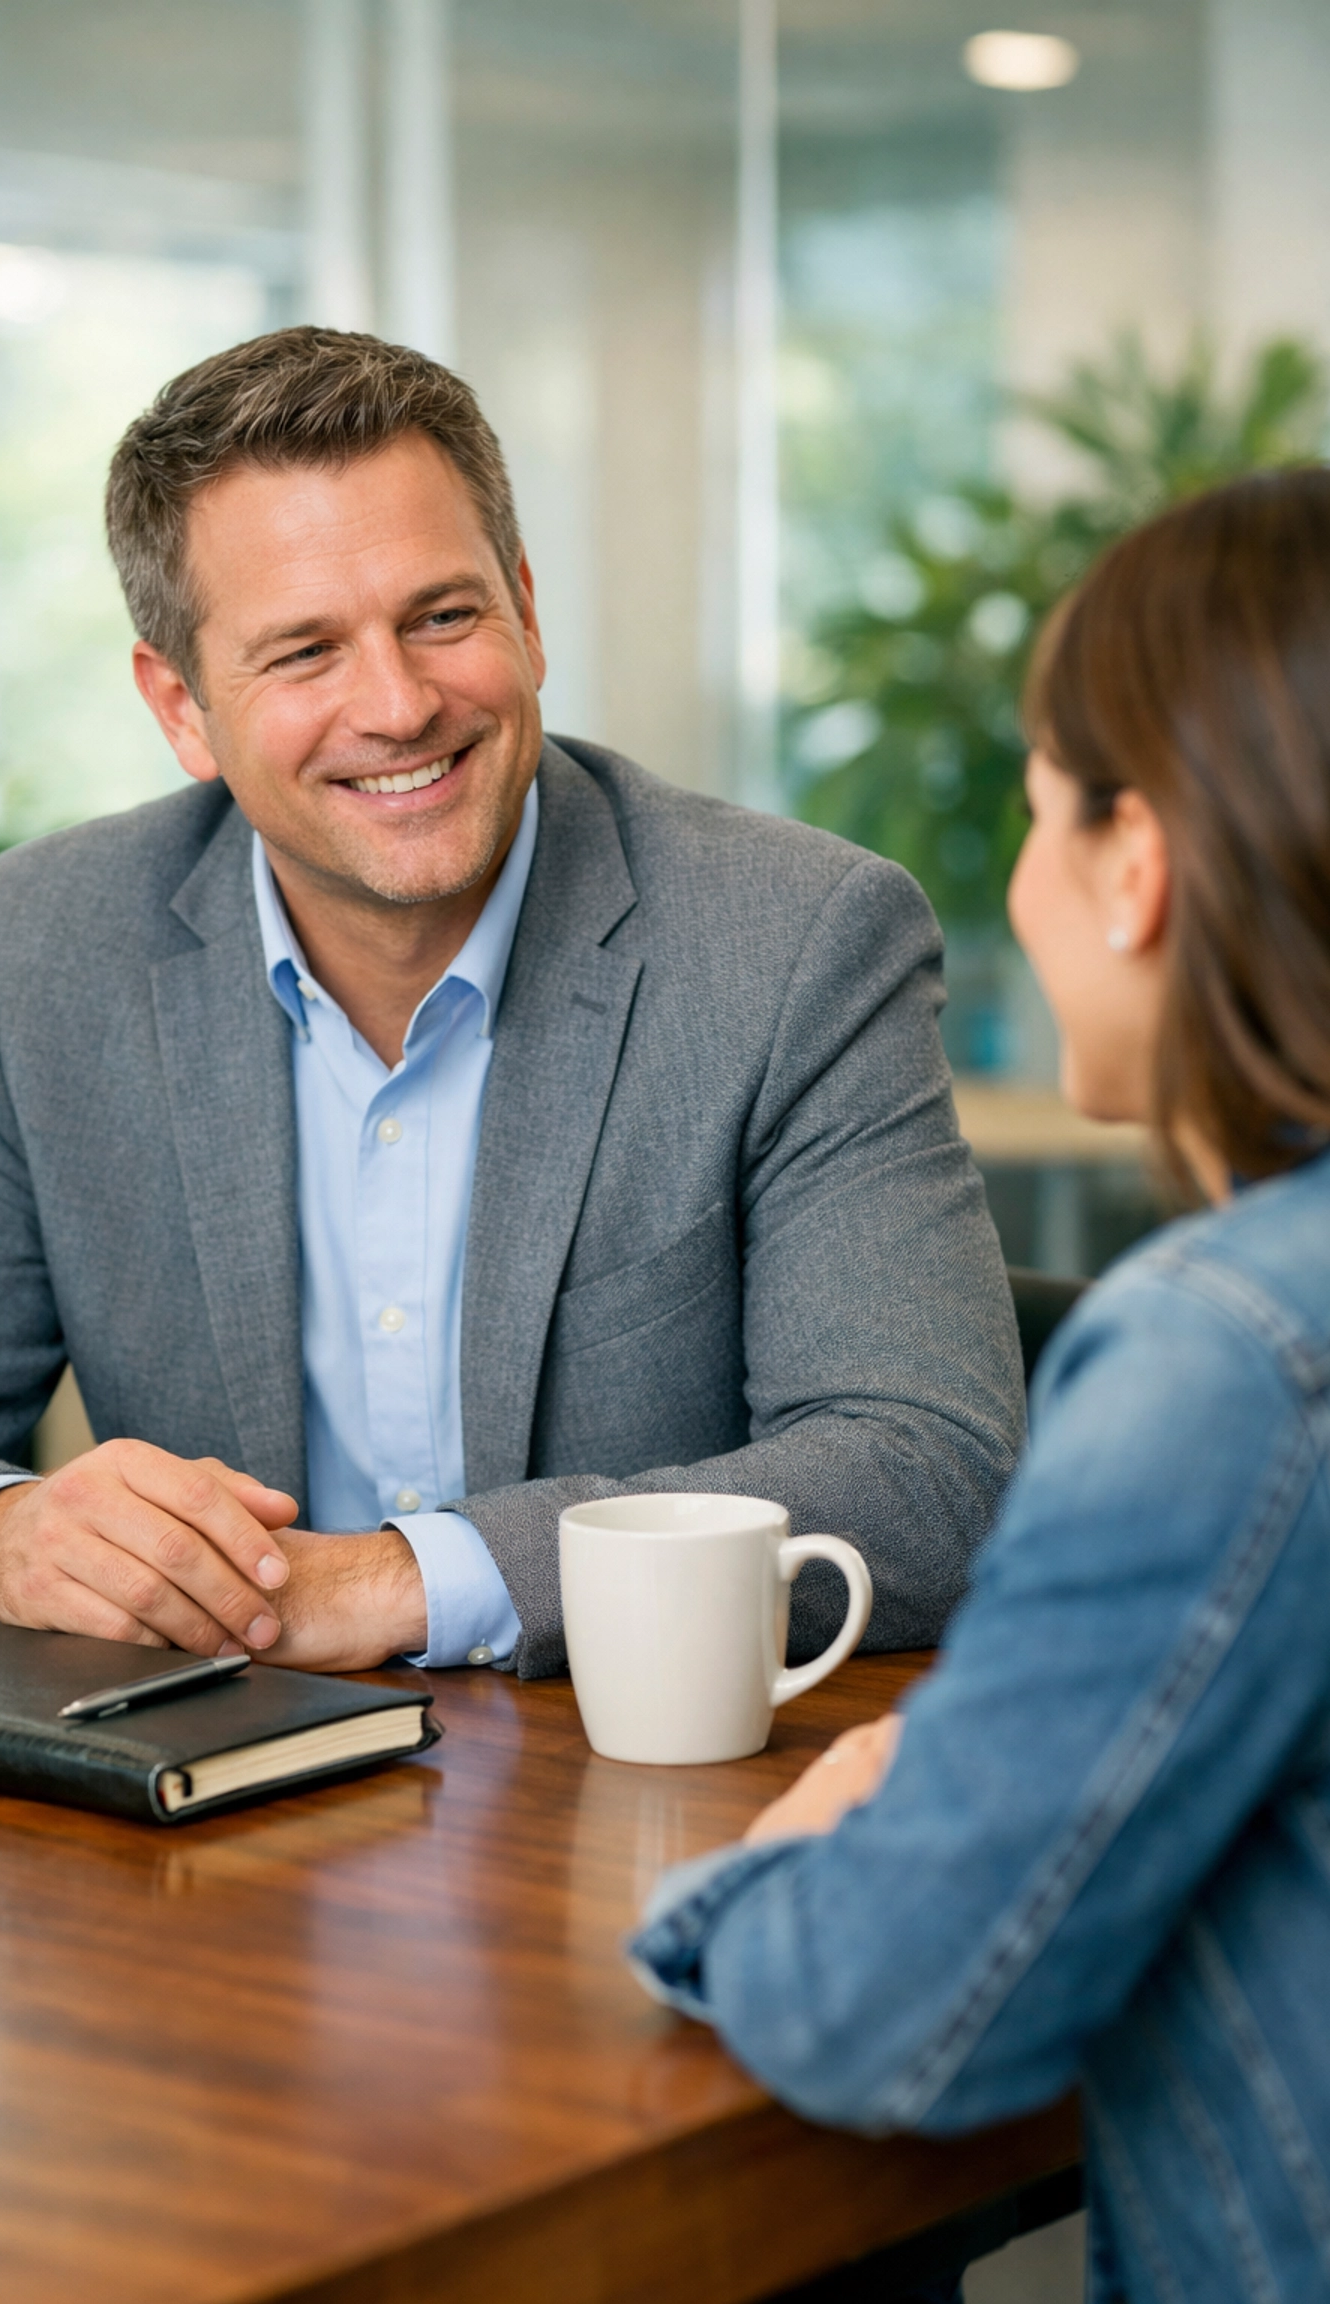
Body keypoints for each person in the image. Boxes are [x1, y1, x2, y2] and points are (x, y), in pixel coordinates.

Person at [0, 327, 1021, 1678]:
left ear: (527, 614)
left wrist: (397, 1584)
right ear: (182, 707)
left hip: (634, 1776)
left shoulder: (793, 941)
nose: (396, 705)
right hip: (207, 1784)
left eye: (442, 617)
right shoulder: (47, 948)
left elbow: (928, 1474)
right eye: (304, 652)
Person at [630, 468, 1330, 2302]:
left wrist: (795, 1854)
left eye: (1035, 805)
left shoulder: (1230, 1360)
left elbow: (890, 2013)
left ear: (1136, 860)